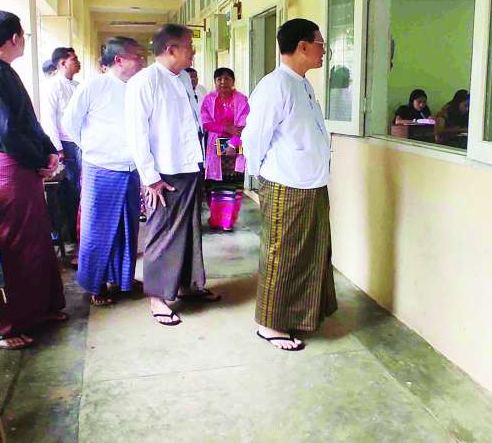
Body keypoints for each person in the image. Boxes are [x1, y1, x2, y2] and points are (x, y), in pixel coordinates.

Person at [0, 10, 66, 350]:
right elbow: (5, 132)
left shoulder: (3, 70)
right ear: (15, 38)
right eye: (23, 35)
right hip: (5, 169)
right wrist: (39, 162)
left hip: (22, 164)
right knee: (9, 244)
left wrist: (49, 152)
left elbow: (29, 122)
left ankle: (38, 309)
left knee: (35, 239)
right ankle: (1, 325)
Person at [242, 18, 337, 352]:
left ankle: (299, 315)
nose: (324, 50)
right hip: (286, 184)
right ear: (302, 47)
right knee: (283, 254)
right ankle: (269, 324)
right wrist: (259, 176)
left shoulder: (302, 84)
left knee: (310, 253)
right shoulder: (275, 85)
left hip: (311, 183)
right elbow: (253, 137)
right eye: (320, 43)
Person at [126, 24, 219, 327]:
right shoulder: (144, 82)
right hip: (164, 173)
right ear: (171, 49)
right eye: (189, 46)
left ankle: (189, 285)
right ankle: (157, 296)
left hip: (189, 166)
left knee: (190, 230)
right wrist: (150, 177)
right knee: (163, 233)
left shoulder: (182, 80)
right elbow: (137, 134)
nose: (194, 52)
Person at [62, 37, 145, 307]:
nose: (141, 60)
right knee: (98, 230)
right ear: (119, 60)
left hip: (131, 168)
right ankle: (95, 284)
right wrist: (92, 148)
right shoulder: (94, 86)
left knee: (127, 228)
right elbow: (69, 123)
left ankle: (122, 279)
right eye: (136, 56)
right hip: (101, 168)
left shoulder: (138, 86)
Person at [40, 47, 82, 245]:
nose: (78, 62)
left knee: (78, 189)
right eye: (74, 59)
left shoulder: (77, 86)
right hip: (64, 145)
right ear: (62, 63)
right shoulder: (53, 86)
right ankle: (68, 235)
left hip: (79, 143)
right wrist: (57, 148)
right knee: (69, 190)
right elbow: (49, 120)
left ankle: (77, 232)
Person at [201, 67, 249, 231]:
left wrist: (232, 144)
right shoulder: (209, 99)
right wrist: (226, 128)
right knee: (215, 186)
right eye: (219, 79)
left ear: (233, 81)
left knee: (232, 185)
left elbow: (244, 124)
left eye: (227, 78)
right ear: (215, 82)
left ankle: (228, 222)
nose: (223, 82)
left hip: (235, 145)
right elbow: (206, 122)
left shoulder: (241, 99)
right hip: (214, 147)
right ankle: (216, 220)